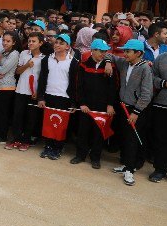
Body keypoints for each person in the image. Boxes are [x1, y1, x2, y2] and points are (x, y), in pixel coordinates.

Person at [106, 39, 154, 186]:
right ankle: (126, 164)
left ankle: (130, 170)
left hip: (136, 110)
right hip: (123, 107)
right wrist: (108, 62)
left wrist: (136, 112)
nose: (124, 53)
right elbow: (109, 55)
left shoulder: (145, 68)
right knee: (124, 137)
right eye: (124, 51)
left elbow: (147, 94)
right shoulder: (124, 63)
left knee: (132, 140)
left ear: (138, 53)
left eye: (128, 51)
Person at [71, 39, 118, 169]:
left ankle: (95, 158)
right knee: (83, 131)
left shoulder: (111, 67)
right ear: (93, 51)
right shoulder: (83, 64)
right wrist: (82, 103)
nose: (103, 54)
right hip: (86, 106)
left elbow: (113, 87)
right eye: (101, 51)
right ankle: (80, 155)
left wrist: (110, 104)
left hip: (102, 106)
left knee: (99, 133)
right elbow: (78, 85)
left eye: (105, 51)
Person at [36, 34, 79, 160]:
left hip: (64, 97)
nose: (57, 45)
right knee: (48, 123)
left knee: (61, 125)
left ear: (67, 46)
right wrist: (41, 97)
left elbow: (75, 83)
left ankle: (58, 147)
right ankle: (48, 146)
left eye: (61, 43)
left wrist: (73, 102)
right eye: (56, 42)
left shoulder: (73, 61)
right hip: (49, 95)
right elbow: (42, 79)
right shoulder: (47, 59)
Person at [149, 51, 167, 182]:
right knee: (160, 138)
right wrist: (164, 83)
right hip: (161, 105)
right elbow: (152, 77)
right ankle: (160, 169)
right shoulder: (161, 58)